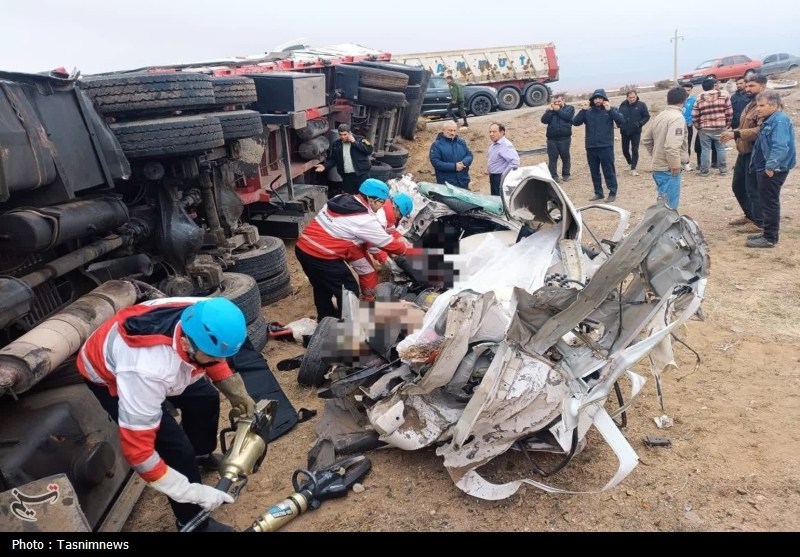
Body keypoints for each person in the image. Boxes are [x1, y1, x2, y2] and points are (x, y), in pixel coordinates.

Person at [76, 297, 256, 532]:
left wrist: (232, 386)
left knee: (205, 400)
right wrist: (190, 492)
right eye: (213, 357)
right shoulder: (147, 371)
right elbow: (139, 454)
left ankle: (200, 456)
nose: (221, 363)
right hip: (110, 375)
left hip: (168, 359)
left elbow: (213, 350)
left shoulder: (204, 310)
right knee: (177, 451)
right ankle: (191, 523)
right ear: (187, 344)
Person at [295, 179, 410, 318]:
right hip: (322, 256)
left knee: (322, 287)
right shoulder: (364, 219)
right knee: (349, 291)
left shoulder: (342, 199)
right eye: (381, 202)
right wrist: (407, 251)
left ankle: (325, 319)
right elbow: (387, 243)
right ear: (370, 199)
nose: (382, 206)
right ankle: (346, 325)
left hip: (303, 248)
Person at [745, 90, 796, 248]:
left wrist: (771, 166)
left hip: (773, 168)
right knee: (765, 200)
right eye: (757, 105)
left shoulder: (779, 121)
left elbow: (780, 146)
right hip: (765, 166)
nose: (758, 108)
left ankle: (769, 238)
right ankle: (767, 232)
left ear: (773, 105)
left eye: (762, 105)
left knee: (769, 202)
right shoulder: (769, 119)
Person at [720, 75, 768, 233]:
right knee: (738, 186)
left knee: (752, 187)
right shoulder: (751, 104)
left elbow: (760, 131)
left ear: (762, 86)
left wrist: (737, 134)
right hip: (744, 151)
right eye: (746, 86)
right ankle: (750, 215)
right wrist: (735, 132)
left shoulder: (766, 105)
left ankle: (760, 222)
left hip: (756, 152)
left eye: (751, 86)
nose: (747, 89)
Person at [356, 192, 415, 300]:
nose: (399, 218)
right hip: (354, 244)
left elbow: (391, 231)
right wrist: (389, 262)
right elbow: (373, 246)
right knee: (368, 273)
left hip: (359, 238)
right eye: (400, 215)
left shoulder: (386, 211)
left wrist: (405, 242)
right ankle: (370, 302)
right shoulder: (380, 217)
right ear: (396, 208)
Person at [572, 88, 625, 203]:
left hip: (606, 146)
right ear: (592, 100)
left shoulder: (611, 110)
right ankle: (598, 193)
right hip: (591, 147)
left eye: (600, 98)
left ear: (604, 99)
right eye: (596, 98)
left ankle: (612, 192)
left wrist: (610, 110)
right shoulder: (588, 112)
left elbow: (621, 121)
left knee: (608, 170)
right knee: (594, 171)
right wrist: (582, 110)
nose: (598, 100)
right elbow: (575, 122)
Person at [641, 87, 689, 209]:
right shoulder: (677, 118)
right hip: (669, 169)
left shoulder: (661, 115)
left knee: (663, 202)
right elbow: (672, 146)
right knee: (669, 206)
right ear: (684, 100)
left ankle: (662, 226)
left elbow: (646, 139)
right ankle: (666, 228)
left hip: (659, 167)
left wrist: (656, 155)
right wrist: (675, 165)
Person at [314, 124, 373, 195]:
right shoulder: (336, 144)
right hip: (347, 177)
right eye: (340, 135)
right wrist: (324, 166)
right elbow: (333, 159)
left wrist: (354, 142)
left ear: (350, 133)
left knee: (364, 195)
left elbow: (369, 150)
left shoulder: (360, 139)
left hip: (361, 175)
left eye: (345, 134)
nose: (343, 137)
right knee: (349, 197)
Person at [691, 77, 732, 176]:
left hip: (705, 128)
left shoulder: (699, 98)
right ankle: (723, 170)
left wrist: (698, 126)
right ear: (713, 85)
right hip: (720, 127)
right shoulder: (724, 95)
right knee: (721, 148)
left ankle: (704, 171)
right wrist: (727, 124)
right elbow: (729, 112)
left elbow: (695, 114)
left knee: (705, 149)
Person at [429, 120, 473, 189]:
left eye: (454, 130)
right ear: (443, 130)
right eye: (450, 130)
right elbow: (436, 163)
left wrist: (464, 163)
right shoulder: (436, 145)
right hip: (447, 185)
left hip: (463, 182)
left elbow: (469, 155)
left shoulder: (461, 142)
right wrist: (454, 167)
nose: (452, 133)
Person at [541, 94, 575, 182]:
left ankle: (566, 175)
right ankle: (554, 176)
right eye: (555, 102)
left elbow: (568, 117)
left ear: (563, 100)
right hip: (552, 139)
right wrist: (550, 111)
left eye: (559, 101)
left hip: (565, 138)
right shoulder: (550, 110)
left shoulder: (570, 108)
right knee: (552, 158)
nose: (557, 103)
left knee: (565, 157)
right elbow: (544, 120)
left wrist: (558, 110)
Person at [618, 90, 650, 176]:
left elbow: (647, 116)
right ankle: (629, 163)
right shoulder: (623, 105)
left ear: (636, 96)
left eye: (633, 97)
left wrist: (639, 124)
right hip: (624, 131)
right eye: (630, 97)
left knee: (635, 150)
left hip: (636, 131)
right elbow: (618, 115)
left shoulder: (641, 105)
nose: (632, 99)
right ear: (627, 97)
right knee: (625, 150)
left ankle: (633, 168)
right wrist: (619, 124)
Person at [487, 122, 520, 195]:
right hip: (494, 177)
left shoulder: (505, 145)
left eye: (494, 132)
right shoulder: (494, 144)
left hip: (500, 178)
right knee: (495, 199)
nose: (491, 134)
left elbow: (515, 162)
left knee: (501, 200)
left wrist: (504, 176)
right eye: (490, 132)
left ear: (502, 132)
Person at [680, 81, 696, 171]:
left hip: (688, 126)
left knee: (687, 145)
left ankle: (687, 163)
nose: (686, 92)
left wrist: (692, 122)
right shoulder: (678, 100)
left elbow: (696, 112)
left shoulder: (693, 100)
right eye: (684, 90)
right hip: (678, 126)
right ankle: (678, 163)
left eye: (688, 90)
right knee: (677, 145)